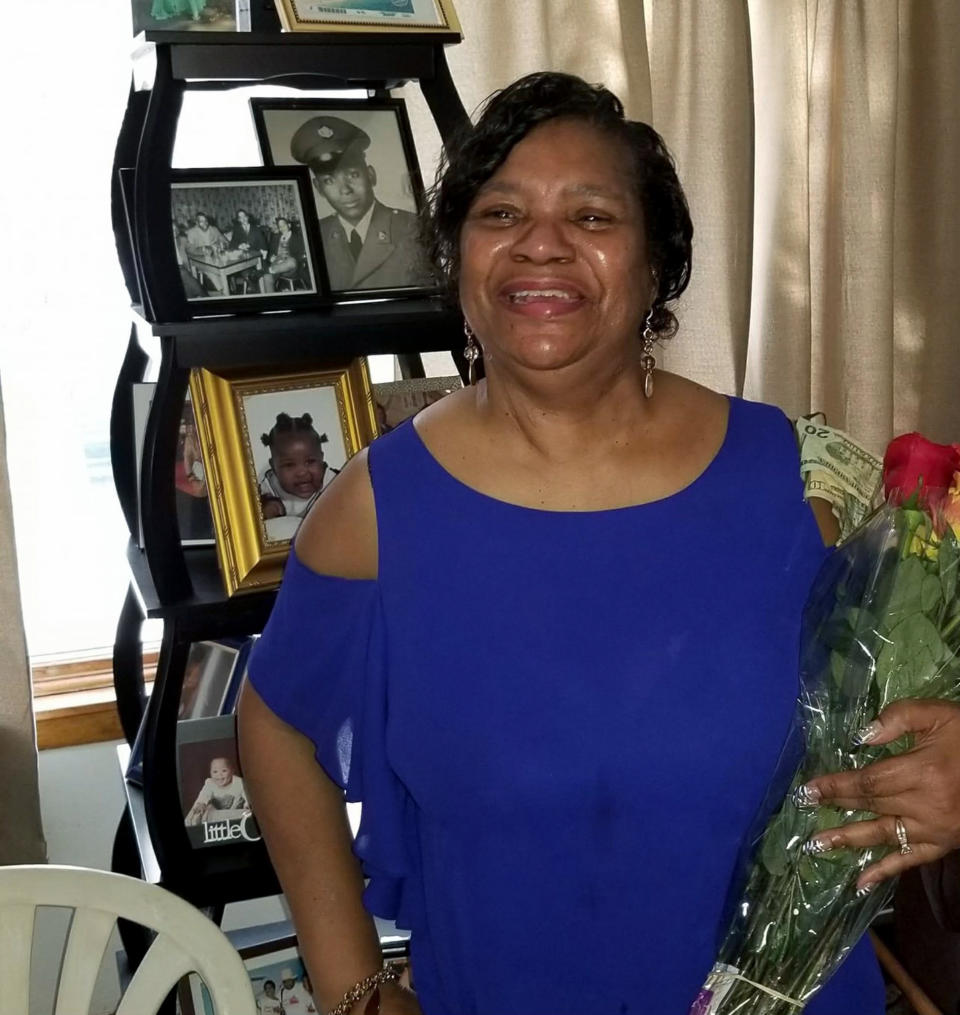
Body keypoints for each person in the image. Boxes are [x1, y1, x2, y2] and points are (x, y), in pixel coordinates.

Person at [238, 72, 960, 1015]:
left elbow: (913, 686)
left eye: (592, 216)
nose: (542, 243)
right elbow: (277, 721)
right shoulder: (379, 506)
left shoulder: (800, 481)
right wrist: (356, 987)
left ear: (657, 265)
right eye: (500, 213)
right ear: (458, 257)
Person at [290, 115, 431, 291]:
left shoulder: (412, 227)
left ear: (371, 175)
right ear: (318, 188)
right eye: (329, 181)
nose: (345, 190)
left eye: (353, 175)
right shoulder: (314, 235)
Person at [258, 413, 338, 541]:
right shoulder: (268, 487)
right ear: (273, 467)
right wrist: (265, 507)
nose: (302, 472)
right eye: (289, 465)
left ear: (321, 458)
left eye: (310, 461)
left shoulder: (336, 483)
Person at [184, 755, 247, 826]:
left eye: (224, 771)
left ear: (232, 771)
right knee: (202, 811)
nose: (219, 775)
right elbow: (204, 795)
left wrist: (247, 805)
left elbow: (247, 796)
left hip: (235, 813)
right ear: (210, 773)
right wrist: (202, 803)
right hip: (216, 815)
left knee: (247, 813)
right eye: (215, 772)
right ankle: (192, 824)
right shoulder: (210, 783)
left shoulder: (239, 782)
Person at [260, 217, 306, 293]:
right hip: (277, 264)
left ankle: (267, 270)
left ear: (289, 225)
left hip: (290, 267)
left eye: (283, 225)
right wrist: (271, 257)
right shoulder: (276, 238)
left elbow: (300, 255)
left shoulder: (297, 238)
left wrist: (288, 258)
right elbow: (270, 253)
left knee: (291, 261)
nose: (282, 228)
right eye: (280, 226)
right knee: (267, 277)